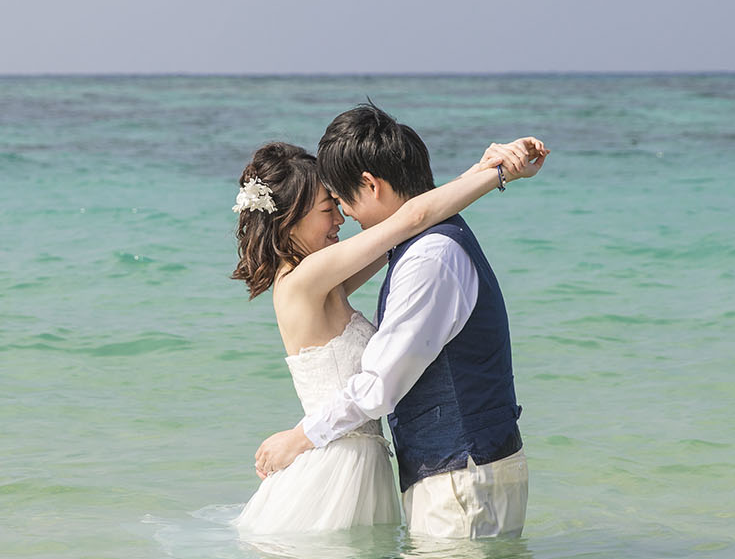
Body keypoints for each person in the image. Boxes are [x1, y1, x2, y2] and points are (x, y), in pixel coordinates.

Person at [230, 125, 547, 535]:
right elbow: (411, 217)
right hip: (335, 461)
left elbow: (413, 221)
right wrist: (499, 174)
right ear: (290, 221)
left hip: (362, 460)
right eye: (329, 208)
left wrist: (481, 168)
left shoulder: (322, 283)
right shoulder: (306, 279)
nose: (341, 217)